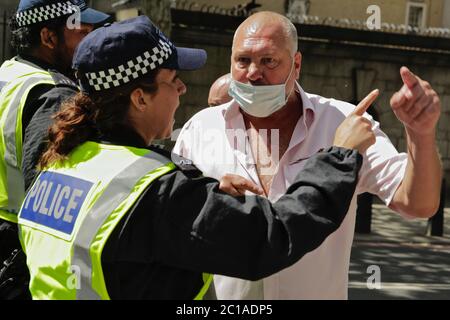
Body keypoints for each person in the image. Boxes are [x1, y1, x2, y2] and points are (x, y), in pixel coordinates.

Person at [17, 15, 375, 300]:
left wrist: (203, 190)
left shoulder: (59, 162)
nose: (183, 89)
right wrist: (339, 156)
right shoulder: (155, 193)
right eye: (173, 79)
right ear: (140, 98)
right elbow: (270, 239)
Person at [173, 11, 442, 299]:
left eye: (268, 60)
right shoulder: (199, 129)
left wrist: (421, 134)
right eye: (243, 60)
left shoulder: (343, 122)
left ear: (296, 65)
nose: (253, 72)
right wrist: (211, 198)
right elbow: (172, 225)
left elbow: (418, 204)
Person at [0, 0, 109, 299]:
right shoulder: (53, 94)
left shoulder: (9, 74)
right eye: (81, 32)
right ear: (49, 38)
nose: (89, 41)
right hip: (17, 247)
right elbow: (50, 193)